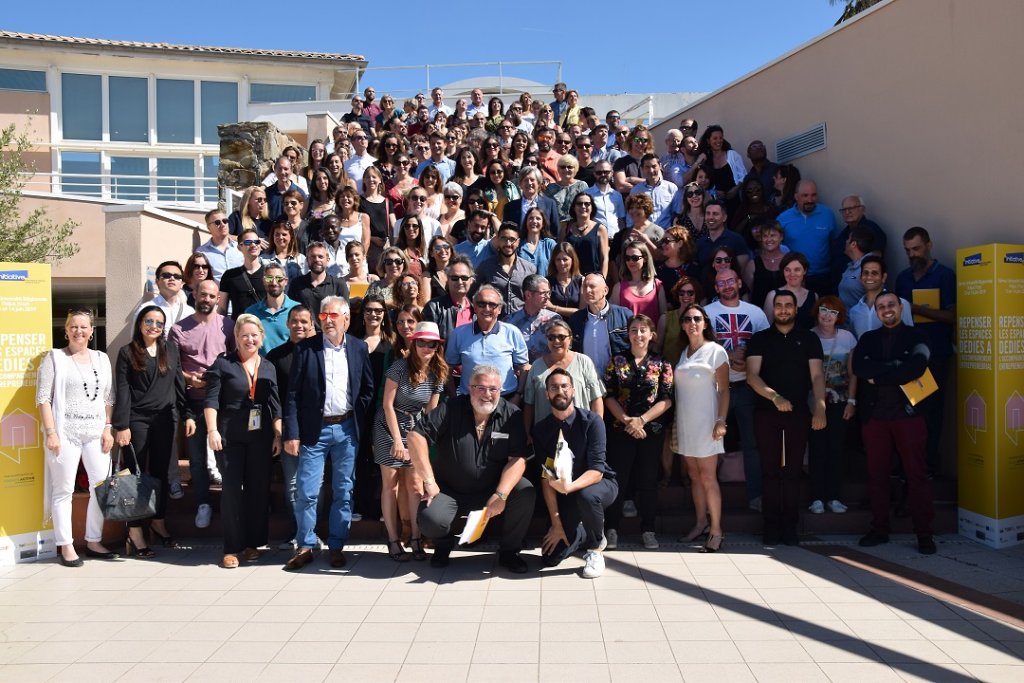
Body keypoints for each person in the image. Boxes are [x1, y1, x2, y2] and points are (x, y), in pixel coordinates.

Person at [409, 364, 535, 572]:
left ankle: (509, 552)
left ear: (500, 390)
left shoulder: (511, 414)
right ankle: (444, 545)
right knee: (430, 518)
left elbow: (518, 459)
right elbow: (415, 436)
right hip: (449, 490)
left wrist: (501, 494)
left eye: (493, 389)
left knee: (525, 491)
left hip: (491, 490)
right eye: (481, 388)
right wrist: (429, 482)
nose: (487, 395)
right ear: (469, 388)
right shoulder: (451, 408)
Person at [283, 296, 376, 571]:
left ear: (346, 319)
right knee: (307, 491)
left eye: (333, 316)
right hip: (315, 429)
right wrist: (292, 432)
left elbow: (367, 389)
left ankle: (337, 545)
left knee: (343, 491)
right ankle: (306, 545)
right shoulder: (306, 350)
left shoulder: (358, 348)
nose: (328, 321)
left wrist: (356, 416)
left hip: (347, 429)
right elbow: (292, 396)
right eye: (323, 317)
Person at [852, 291, 937, 554]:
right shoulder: (867, 339)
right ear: (876, 312)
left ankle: (924, 534)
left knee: (916, 475)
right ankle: (880, 529)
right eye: (881, 307)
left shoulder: (918, 336)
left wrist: (880, 373)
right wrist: (896, 366)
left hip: (908, 416)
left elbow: (917, 367)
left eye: (891, 305)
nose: (886, 309)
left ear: (901, 308)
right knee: (877, 475)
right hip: (875, 417)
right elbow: (860, 369)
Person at [746, 289, 826, 546]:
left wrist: (821, 407)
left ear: (796, 309)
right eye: (778, 305)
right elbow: (752, 376)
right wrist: (775, 397)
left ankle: (790, 528)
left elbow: (816, 376)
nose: (783, 309)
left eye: (788, 305)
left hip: (799, 413)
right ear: (773, 309)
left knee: (792, 472)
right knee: (770, 472)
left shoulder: (809, 338)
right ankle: (770, 527)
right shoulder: (760, 339)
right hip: (766, 413)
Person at [37, 310, 116, 567]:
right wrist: (51, 433)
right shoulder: (55, 358)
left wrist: (107, 428)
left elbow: (108, 398)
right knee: (63, 490)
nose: (78, 331)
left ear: (92, 330)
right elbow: (43, 399)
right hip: (65, 433)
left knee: (100, 487)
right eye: (73, 326)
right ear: (66, 330)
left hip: (95, 432)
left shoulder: (102, 359)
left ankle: (93, 540)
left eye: (83, 327)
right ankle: (66, 545)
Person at [114, 305, 194, 557]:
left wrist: (187, 414)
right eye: (149, 321)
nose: (154, 327)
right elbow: (123, 390)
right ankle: (135, 530)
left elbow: (178, 384)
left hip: (165, 421)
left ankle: (158, 522)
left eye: (159, 323)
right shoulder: (127, 353)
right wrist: (122, 425)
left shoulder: (169, 349)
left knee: (160, 475)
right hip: (136, 421)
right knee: (134, 476)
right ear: (140, 323)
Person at [204, 314, 282, 568]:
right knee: (232, 493)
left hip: (260, 438)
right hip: (229, 437)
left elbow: (275, 405)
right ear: (236, 338)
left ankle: (252, 543)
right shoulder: (223, 364)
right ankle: (231, 548)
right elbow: (211, 400)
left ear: (262, 337)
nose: (249, 339)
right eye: (244, 335)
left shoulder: (268, 366)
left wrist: (278, 435)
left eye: (254, 335)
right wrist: (212, 430)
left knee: (258, 491)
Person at [373, 322, 448, 562]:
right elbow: (387, 404)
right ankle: (393, 540)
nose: (426, 347)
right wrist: (397, 439)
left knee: (415, 485)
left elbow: (431, 412)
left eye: (431, 343)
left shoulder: (437, 372)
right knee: (391, 484)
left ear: (437, 346)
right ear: (414, 343)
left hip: (415, 426)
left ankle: (416, 537)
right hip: (389, 424)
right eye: (422, 342)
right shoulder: (399, 366)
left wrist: (422, 442)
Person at [533, 369, 616, 578]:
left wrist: (569, 487)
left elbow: (597, 471)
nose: (559, 391)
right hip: (565, 492)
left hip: (600, 485)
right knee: (550, 558)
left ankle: (596, 549)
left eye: (564, 386)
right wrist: (557, 524)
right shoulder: (542, 430)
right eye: (554, 387)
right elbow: (547, 477)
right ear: (547, 394)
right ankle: (582, 532)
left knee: (586, 495)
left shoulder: (591, 422)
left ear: (573, 391)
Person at [168, 280, 236, 530]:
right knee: (196, 459)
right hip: (193, 403)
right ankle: (203, 504)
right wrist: (190, 378)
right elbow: (173, 366)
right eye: (203, 294)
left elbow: (234, 360)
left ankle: (231, 503)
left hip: (222, 402)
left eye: (212, 296)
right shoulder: (178, 329)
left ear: (218, 299)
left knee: (225, 457)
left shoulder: (228, 326)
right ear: (194, 294)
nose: (206, 299)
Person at [602, 314, 674, 550]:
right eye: (634, 330)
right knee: (617, 479)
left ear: (652, 334)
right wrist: (627, 421)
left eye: (643, 330)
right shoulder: (617, 360)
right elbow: (609, 395)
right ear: (628, 334)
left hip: (650, 431)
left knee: (648, 480)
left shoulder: (662, 364)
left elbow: (666, 399)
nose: (638, 334)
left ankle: (649, 529)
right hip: (620, 429)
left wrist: (641, 421)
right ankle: (611, 529)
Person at [704, 269, 770, 511]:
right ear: (716, 287)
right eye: (721, 282)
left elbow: (766, 345)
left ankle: (756, 496)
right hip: (715, 387)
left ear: (740, 282)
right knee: (708, 442)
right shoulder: (707, 313)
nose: (727, 285)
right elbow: (701, 347)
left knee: (752, 443)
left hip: (746, 386)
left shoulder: (756, 313)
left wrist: (748, 358)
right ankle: (708, 497)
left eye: (731, 280)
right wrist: (727, 357)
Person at [894, 226, 956, 477]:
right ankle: (908, 466)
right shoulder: (903, 278)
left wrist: (916, 308)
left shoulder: (944, 275)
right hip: (909, 356)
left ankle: (930, 466)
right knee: (909, 410)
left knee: (931, 410)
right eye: (907, 250)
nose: (912, 254)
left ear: (929, 245)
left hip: (937, 354)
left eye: (916, 248)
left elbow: (952, 315)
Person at [674, 303, 729, 551]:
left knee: (708, 477)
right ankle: (700, 524)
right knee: (694, 476)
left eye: (697, 318)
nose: (692, 323)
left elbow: (726, 390)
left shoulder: (716, 351)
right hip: (686, 423)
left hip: (708, 422)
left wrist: (721, 420)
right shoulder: (683, 352)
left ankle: (716, 530)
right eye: (687, 319)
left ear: (705, 322)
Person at [266, 305, 315, 550]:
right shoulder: (275, 356)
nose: (299, 325)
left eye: (304, 321)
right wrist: (278, 431)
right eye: (294, 321)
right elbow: (272, 398)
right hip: (287, 429)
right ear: (287, 324)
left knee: (314, 483)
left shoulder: (321, 352)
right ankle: (299, 531)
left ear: (312, 324)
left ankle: (312, 531)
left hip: (318, 427)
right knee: (293, 482)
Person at [807, 296, 857, 516]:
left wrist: (852, 401)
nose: (827, 316)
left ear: (839, 316)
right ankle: (816, 497)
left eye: (833, 312)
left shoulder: (847, 338)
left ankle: (834, 497)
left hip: (840, 401)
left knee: (836, 449)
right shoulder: (808, 337)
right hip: (815, 403)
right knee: (817, 449)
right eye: (824, 310)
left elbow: (853, 373)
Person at [445, 285, 529, 399]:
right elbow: (447, 369)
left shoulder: (512, 332)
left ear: (499, 309)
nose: (487, 309)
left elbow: (523, 368)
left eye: (492, 305)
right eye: (481, 304)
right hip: (469, 400)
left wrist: (518, 396)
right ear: (474, 307)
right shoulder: (458, 334)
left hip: (506, 399)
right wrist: (454, 398)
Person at [522, 319, 605, 431]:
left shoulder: (584, 362)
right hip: (545, 435)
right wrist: (527, 433)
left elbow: (596, 399)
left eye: (561, 337)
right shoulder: (537, 366)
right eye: (551, 337)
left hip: (580, 432)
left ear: (570, 339)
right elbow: (529, 404)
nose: (556, 341)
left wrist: (597, 430)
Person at [777, 180, 840, 294]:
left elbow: (835, 243)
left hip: (823, 276)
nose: (810, 200)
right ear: (796, 196)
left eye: (813, 195)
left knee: (823, 310)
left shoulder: (827, 214)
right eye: (805, 196)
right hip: (795, 278)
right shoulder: (783, 219)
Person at [568, 273, 631, 378]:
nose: (587, 290)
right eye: (584, 287)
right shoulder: (576, 320)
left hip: (618, 380)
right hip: (587, 380)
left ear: (605, 290)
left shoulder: (624, 315)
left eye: (592, 286)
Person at [475, 222, 537, 316]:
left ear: (518, 242)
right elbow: (472, 294)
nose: (508, 243)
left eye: (512, 239)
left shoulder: (530, 269)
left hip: (521, 324)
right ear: (498, 240)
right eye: (504, 238)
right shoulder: (486, 267)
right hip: (494, 323)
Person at [849, 256, 913, 338]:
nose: (869, 277)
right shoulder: (854, 312)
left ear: (884, 277)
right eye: (866, 273)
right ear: (860, 278)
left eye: (874, 273)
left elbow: (910, 337)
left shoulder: (900, 304)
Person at [831, 194, 887, 284]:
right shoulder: (842, 235)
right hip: (841, 285)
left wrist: (852, 278)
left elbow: (875, 260)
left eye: (851, 208)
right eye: (844, 210)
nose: (847, 212)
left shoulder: (872, 230)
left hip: (861, 284)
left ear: (862, 209)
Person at [505, 273, 561, 361]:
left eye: (548, 292)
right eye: (543, 293)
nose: (548, 297)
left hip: (547, 370)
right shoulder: (510, 321)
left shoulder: (554, 319)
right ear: (528, 295)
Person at [244, 263, 298, 353]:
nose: (274, 282)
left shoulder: (297, 309)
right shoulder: (251, 313)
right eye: (269, 278)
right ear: (263, 281)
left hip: (291, 365)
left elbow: (309, 340)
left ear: (286, 281)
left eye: (278, 278)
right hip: (261, 366)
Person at [611, 241, 668, 325]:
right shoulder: (618, 287)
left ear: (645, 258)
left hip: (652, 336)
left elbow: (664, 317)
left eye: (635, 258)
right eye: (627, 258)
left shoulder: (657, 285)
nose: (630, 261)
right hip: (628, 337)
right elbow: (614, 319)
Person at [423, 255, 475, 339]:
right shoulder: (434, 308)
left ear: (471, 280)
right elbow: (428, 342)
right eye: (455, 278)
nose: (460, 282)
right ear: (447, 280)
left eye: (464, 278)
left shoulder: (476, 310)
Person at [764, 252, 818, 329]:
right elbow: (766, 328)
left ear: (805, 271)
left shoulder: (813, 296)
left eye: (797, 270)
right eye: (787, 270)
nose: (792, 274)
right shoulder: (772, 296)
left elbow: (815, 327)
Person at [219, 228, 266, 317]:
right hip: (238, 328)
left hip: (264, 328)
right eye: (248, 242)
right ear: (239, 247)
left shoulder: (269, 274)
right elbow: (222, 309)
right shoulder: (229, 276)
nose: (253, 245)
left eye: (256, 242)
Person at [696, 124, 747, 205]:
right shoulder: (706, 160)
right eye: (715, 138)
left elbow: (744, 175)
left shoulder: (732, 155)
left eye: (720, 138)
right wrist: (714, 192)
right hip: (715, 203)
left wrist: (735, 189)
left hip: (735, 200)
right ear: (708, 141)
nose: (718, 141)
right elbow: (703, 182)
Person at [563, 192, 610, 278]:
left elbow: (604, 258)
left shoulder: (600, 229)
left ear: (592, 208)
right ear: (574, 207)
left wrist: (602, 279)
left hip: (593, 278)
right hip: (570, 278)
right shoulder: (566, 228)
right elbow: (560, 253)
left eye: (587, 204)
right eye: (579, 204)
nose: (583, 206)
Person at [503, 167, 561, 234]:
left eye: (532, 180)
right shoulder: (510, 207)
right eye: (526, 180)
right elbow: (506, 231)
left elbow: (555, 230)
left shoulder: (550, 204)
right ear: (520, 184)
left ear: (539, 184)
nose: (529, 183)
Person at [629, 154, 678, 229]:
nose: (651, 170)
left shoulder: (671, 188)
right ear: (642, 169)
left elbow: (677, 214)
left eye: (654, 166)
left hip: (665, 235)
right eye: (647, 167)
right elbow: (630, 218)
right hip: (643, 234)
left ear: (660, 166)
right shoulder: (636, 191)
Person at [197, 208, 244, 283]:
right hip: (217, 293)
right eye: (217, 222)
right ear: (209, 228)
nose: (222, 225)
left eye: (225, 221)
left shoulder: (242, 248)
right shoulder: (202, 252)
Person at [586, 160, 626, 240]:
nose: (603, 175)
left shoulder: (617, 195)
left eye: (606, 172)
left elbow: (621, 220)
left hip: (615, 240)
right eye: (599, 172)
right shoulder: (586, 195)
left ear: (612, 173)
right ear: (594, 174)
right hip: (596, 239)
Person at [517, 206, 558, 280]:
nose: (534, 221)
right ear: (526, 222)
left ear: (543, 223)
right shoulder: (518, 244)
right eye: (531, 218)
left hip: (545, 289)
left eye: (538, 218)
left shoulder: (550, 244)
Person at [546, 242, 584, 317]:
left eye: (565, 259)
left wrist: (554, 308)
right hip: (554, 325)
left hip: (577, 326)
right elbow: (546, 308)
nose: (562, 263)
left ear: (572, 260)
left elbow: (582, 312)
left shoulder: (582, 281)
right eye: (558, 259)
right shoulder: (547, 282)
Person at [265, 156, 307, 222]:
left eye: (286, 169)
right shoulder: (267, 192)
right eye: (279, 169)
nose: (282, 172)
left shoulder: (300, 193)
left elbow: (305, 215)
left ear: (291, 170)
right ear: (275, 170)